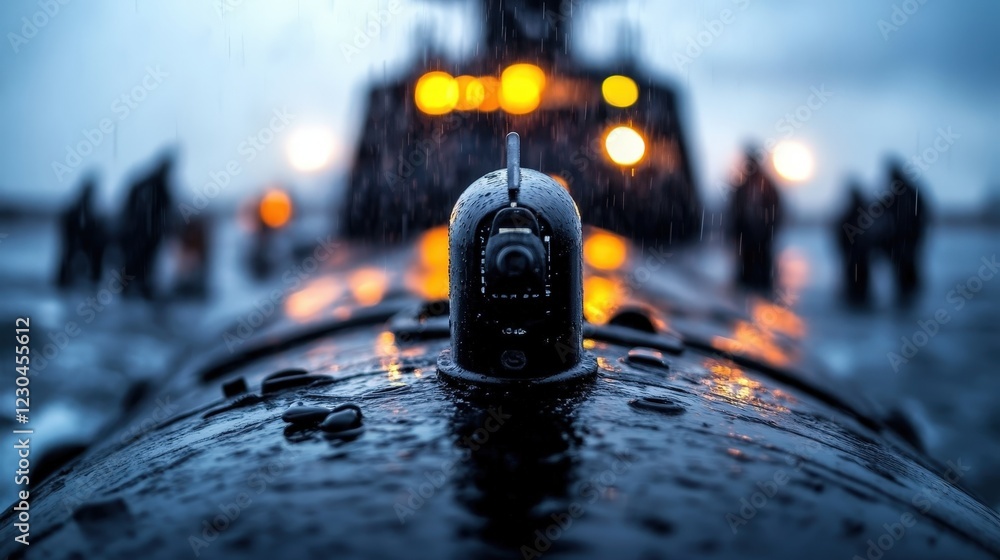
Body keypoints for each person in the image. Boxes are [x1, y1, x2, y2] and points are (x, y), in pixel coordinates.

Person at [120, 153, 175, 299]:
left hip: (150, 232)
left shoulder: (156, 184)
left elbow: (167, 209)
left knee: (146, 261)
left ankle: (138, 287)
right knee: (137, 260)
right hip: (142, 231)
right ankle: (129, 288)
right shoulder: (149, 183)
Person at [728, 145, 783, 292]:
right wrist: (736, 230)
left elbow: (776, 210)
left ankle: (762, 294)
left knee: (761, 267)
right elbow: (735, 211)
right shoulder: (742, 187)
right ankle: (745, 295)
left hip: (762, 237)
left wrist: (768, 228)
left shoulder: (767, 186)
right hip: (746, 237)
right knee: (746, 267)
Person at [878, 160, 930, 306]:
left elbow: (911, 218)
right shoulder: (905, 192)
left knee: (907, 272)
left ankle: (909, 301)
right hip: (907, 242)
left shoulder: (906, 193)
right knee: (906, 271)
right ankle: (910, 301)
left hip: (907, 242)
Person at [56, 175, 105, 287]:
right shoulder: (78, 210)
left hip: (81, 241)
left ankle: (68, 282)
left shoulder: (87, 210)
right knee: (68, 260)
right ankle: (65, 283)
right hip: (76, 240)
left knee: (71, 260)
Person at [835, 183, 872, 306]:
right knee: (857, 275)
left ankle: (858, 297)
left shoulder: (856, 211)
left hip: (857, 253)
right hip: (855, 252)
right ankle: (857, 296)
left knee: (857, 275)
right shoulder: (860, 210)